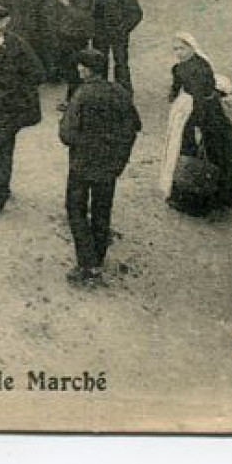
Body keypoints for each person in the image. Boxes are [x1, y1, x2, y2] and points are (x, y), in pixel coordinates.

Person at [58, 48, 142, 287]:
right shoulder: (120, 92)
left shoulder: (82, 94)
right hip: (110, 164)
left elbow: (67, 135)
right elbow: (135, 124)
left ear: (85, 69)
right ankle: (99, 254)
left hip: (83, 164)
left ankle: (87, 264)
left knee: (75, 209)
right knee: (102, 209)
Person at [161, 32, 232, 215]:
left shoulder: (202, 67)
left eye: (182, 49)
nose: (179, 53)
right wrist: (173, 95)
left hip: (207, 111)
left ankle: (217, 195)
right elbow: (176, 87)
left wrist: (199, 122)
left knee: (213, 149)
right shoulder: (178, 68)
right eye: (176, 49)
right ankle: (188, 191)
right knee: (189, 149)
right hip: (189, 110)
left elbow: (202, 94)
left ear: (192, 48)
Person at [0, 3, 44, 218]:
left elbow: (37, 73)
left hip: (9, 110)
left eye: (1, 20)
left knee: (2, 152)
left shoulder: (18, 45)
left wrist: (16, 92)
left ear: (7, 21)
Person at [92, 0, 143, 91]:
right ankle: (100, 91)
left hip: (117, 32)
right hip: (100, 30)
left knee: (120, 62)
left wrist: (123, 29)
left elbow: (136, 13)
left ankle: (124, 92)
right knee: (99, 60)